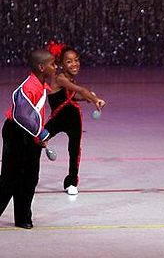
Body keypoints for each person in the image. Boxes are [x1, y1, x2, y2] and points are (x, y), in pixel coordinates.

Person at [0, 49, 57, 229]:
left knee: (30, 177)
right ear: (41, 67)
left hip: (29, 133)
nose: (56, 67)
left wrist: (37, 134)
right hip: (17, 133)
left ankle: (23, 217)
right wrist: (39, 133)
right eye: (52, 64)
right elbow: (22, 115)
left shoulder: (41, 85)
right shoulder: (29, 87)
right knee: (10, 178)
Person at [45, 41, 106, 195]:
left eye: (77, 60)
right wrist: (94, 99)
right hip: (57, 120)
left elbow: (73, 95)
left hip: (74, 119)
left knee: (74, 150)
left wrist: (86, 98)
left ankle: (71, 182)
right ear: (60, 64)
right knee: (37, 140)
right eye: (69, 61)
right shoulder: (60, 78)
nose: (75, 64)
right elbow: (79, 89)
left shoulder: (69, 78)